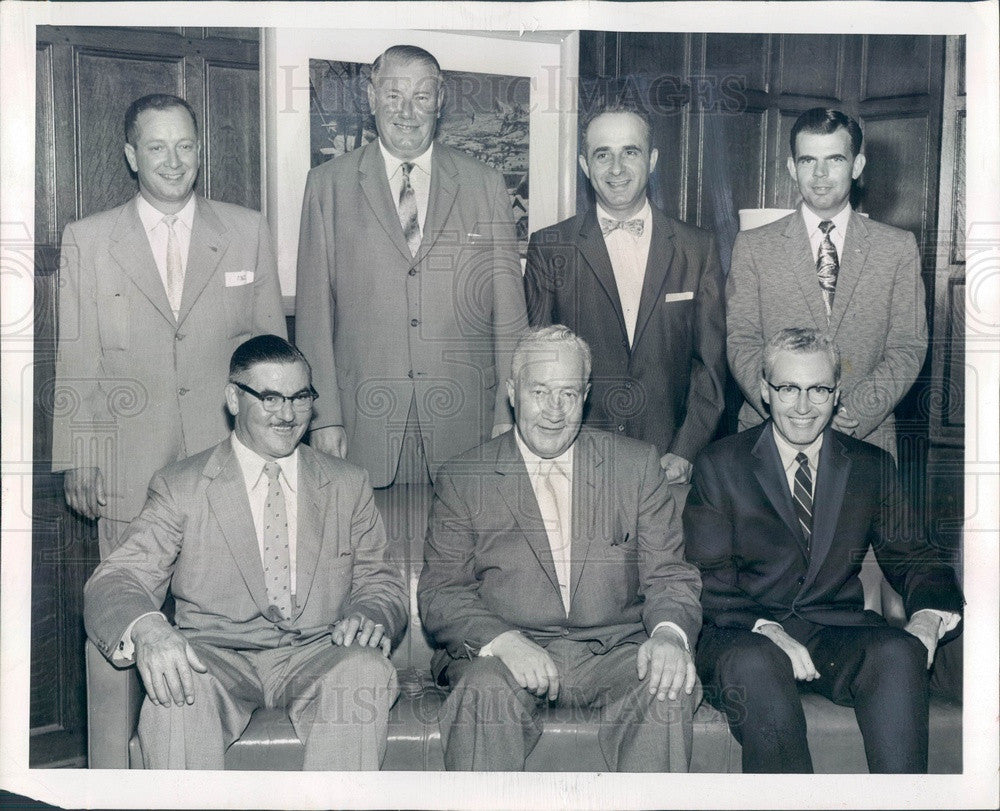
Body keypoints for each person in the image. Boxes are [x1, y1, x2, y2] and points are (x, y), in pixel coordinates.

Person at [83, 334, 408, 770]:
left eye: (300, 397)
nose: (288, 415)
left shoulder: (348, 484)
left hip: (320, 652)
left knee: (364, 671)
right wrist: (148, 629)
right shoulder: (181, 485)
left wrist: (372, 611)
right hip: (214, 657)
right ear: (234, 399)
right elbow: (116, 579)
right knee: (175, 692)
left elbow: (381, 581)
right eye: (270, 398)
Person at [418, 325, 703, 771]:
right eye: (540, 391)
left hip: (616, 652)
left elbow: (668, 575)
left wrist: (669, 635)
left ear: (585, 395)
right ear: (512, 393)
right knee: (484, 693)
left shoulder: (635, 466)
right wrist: (503, 640)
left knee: (668, 685)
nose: (554, 411)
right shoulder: (463, 477)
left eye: (568, 394)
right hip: (511, 655)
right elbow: (441, 593)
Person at [684, 327, 962, 773]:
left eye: (818, 390)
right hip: (744, 634)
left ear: (836, 394)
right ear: (764, 391)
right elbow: (707, 578)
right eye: (788, 388)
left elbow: (916, 556)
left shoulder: (871, 465)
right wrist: (769, 630)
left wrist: (928, 617)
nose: (802, 406)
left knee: (899, 651)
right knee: (758, 663)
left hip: (834, 630)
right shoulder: (720, 464)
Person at [51, 93, 286, 556]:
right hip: (127, 468)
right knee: (128, 611)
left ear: (200, 150)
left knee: (228, 614)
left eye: (185, 146)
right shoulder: (88, 240)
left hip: (228, 458)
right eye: (157, 147)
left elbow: (271, 353)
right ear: (132, 156)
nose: (174, 161)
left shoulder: (247, 230)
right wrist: (78, 457)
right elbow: (77, 358)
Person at [295, 44, 528, 491]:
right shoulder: (327, 186)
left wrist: (508, 411)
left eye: (422, 96)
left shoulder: (485, 184)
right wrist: (322, 418)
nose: (407, 111)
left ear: (440, 102)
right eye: (394, 95)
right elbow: (313, 314)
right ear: (370, 97)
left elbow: (510, 314)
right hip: (363, 424)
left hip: (467, 424)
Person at [524, 103, 726, 485]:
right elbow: (539, 366)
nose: (616, 169)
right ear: (586, 166)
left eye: (629, 152)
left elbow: (711, 367)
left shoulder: (698, 248)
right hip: (577, 459)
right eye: (603, 155)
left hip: (667, 463)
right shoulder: (550, 247)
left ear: (651, 160)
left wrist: (685, 449)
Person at [727, 107, 927, 456]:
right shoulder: (753, 246)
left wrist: (849, 411)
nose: (820, 174)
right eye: (807, 161)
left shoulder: (897, 248)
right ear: (792, 168)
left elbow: (908, 347)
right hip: (768, 436)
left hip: (864, 438)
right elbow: (741, 342)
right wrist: (790, 410)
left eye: (834, 159)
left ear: (857, 165)